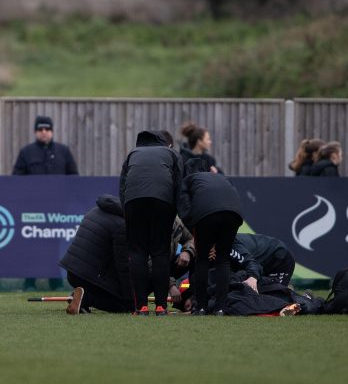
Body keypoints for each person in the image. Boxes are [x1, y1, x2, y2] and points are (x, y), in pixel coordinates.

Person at [61, 196, 196, 315]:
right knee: (127, 305)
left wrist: (187, 251)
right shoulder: (127, 226)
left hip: (75, 271)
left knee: (190, 258)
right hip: (89, 276)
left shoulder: (173, 220)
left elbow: (191, 238)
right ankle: (85, 298)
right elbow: (126, 266)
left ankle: (190, 299)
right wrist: (134, 299)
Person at [119, 130, 184, 316]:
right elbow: (179, 184)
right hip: (163, 202)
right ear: (167, 144)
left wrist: (128, 212)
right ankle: (162, 307)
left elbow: (122, 186)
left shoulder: (133, 153)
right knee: (160, 253)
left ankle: (141, 307)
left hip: (133, 202)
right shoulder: (172, 154)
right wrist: (175, 211)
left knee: (137, 252)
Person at [14, 115, 79, 291]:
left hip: (57, 209)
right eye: (40, 129)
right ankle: (29, 281)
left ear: (52, 131)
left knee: (54, 245)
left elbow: (74, 177)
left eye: (47, 129)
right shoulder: (26, 152)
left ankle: (55, 282)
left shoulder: (63, 151)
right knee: (30, 245)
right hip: (32, 209)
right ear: (36, 131)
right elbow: (16, 179)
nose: (44, 132)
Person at [178, 157, 243, 315]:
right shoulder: (219, 177)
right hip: (234, 213)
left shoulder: (187, 181)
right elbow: (230, 197)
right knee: (223, 260)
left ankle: (200, 307)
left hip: (206, 215)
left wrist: (197, 234)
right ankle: (220, 308)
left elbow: (184, 212)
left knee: (202, 260)